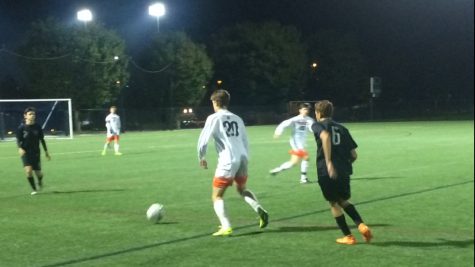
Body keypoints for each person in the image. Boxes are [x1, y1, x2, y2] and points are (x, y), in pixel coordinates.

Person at [197, 89, 269, 236]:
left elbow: (203, 140)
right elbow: (245, 140)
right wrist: (245, 158)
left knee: (217, 196)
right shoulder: (237, 118)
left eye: (212, 102)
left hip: (227, 160)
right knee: (242, 189)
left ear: (216, 102)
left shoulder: (214, 118)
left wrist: (201, 157)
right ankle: (260, 210)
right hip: (242, 157)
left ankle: (226, 226)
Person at [311, 100, 372, 245]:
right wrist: (344, 165)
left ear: (318, 113)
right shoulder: (342, 128)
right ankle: (361, 225)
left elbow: (325, 136)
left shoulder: (317, 125)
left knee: (333, 203)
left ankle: (349, 236)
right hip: (343, 170)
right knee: (342, 200)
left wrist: (329, 163)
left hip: (326, 171)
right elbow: (354, 155)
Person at [269, 103, 315, 183]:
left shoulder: (309, 120)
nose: (306, 111)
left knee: (294, 162)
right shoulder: (295, 119)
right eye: (304, 109)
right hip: (295, 142)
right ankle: (303, 179)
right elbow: (283, 124)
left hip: (302, 143)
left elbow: (312, 128)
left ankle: (277, 169)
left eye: (307, 109)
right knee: (306, 157)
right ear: (300, 110)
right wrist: (278, 132)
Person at [16, 107, 51, 195]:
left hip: (35, 152)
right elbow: (18, 139)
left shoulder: (38, 127)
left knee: (38, 173)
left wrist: (46, 152)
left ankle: (40, 181)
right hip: (25, 152)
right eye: (30, 114)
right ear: (25, 116)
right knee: (28, 171)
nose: (32, 116)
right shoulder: (21, 127)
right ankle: (34, 189)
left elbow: (42, 140)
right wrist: (20, 148)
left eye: (33, 114)